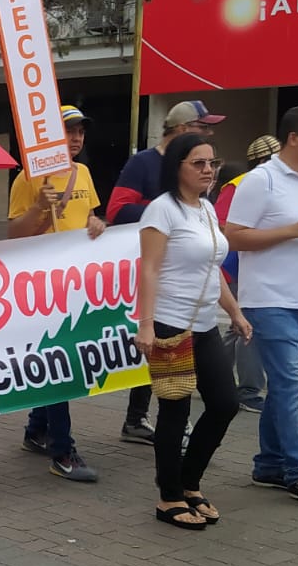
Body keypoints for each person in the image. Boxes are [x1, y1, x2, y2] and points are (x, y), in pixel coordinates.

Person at [223, 104, 298, 505]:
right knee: (292, 385)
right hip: (267, 300)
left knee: (285, 389)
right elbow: (233, 237)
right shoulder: (261, 181)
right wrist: (294, 230)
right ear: (295, 137)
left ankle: (269, 465)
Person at [134, 133, 249, 531]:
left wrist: (234, 311)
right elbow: (147, 268)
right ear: (178, 167)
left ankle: (190, 482)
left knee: (224, 404)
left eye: (212, 163)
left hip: (204, 324)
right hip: (169, 324)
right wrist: (145, 325)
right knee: (175, 409)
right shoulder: (161, 211)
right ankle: (169, 496)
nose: (208, 171)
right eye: (198, 163)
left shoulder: (205, 209)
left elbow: (211, 267)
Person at [107, 99, 226, 446]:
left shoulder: (201, 192)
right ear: (181, 130)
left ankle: (141, 420)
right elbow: (117, 209)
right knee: (159, 348)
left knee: (214, 395)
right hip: (152, 267)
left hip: (190, 283)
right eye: (202, 127)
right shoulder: (144, 163)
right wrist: (169, 210)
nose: (207, 134)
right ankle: (145, 425)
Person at [8, 105, 107, 482]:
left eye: (81, 131)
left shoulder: (83, 172)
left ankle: (36, 430)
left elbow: (91, 218)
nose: (77, 138)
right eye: (69, 131)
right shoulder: (27, 178)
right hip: (42, 285)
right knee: (61, 362)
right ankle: (63, 451)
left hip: (76, 283)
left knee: (59, 359)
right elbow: (14, 235)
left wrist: (97, 223)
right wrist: (37, 208)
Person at [214, 136, 280, 413]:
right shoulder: (241, 185)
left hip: (259, 264)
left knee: (237, 327)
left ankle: (217, 379)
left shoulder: (276, 184)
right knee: (249, 327)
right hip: (239, 265)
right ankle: (248, 390)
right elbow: (220, 225)